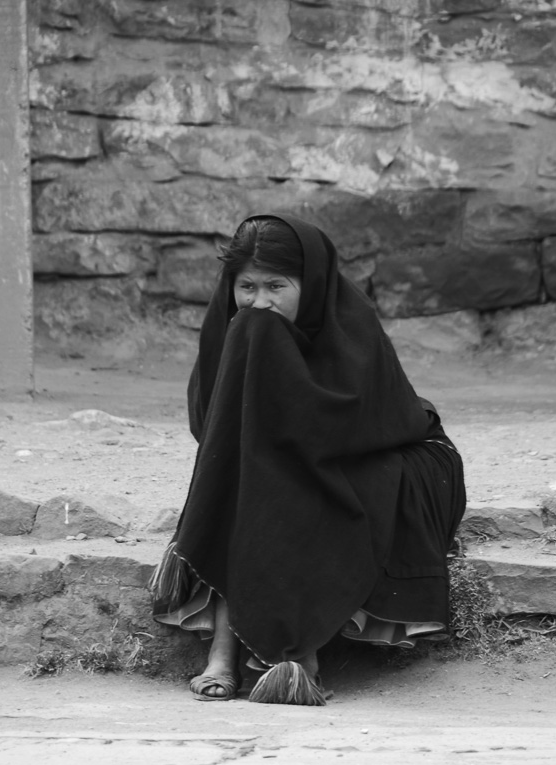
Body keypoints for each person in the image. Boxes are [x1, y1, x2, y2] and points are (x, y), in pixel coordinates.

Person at [149, 213, 466, 705]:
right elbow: (216, 429)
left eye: (277, 285)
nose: (259, 302)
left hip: (378, 452)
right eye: (246, 286)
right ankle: (248, 649)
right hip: (271, 463)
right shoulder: (236, 332)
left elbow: (372, 421)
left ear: (310, 282)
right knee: (257, 476)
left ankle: (272, 648)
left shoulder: (348, 326)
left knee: (281, 484)